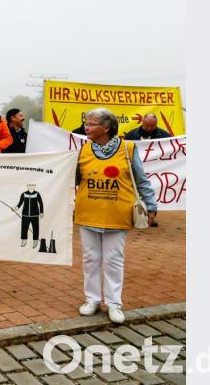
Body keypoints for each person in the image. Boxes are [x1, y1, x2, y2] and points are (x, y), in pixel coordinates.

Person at [75, 108, 157, 324]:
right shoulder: (82, 151)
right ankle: (92, 299)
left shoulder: (128, 149)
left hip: (117, 213)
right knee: (90, 258)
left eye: (91, 123)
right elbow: (72, 179)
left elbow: (142, 180)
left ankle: (114, 303)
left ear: (107, 127)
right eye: (87, 122)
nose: (87, 127)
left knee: (113, 259)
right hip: (88, 213)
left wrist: (150, 204)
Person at [16, 183, 43, 247]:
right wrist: (15, 208)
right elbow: (20, 203)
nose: (31, 187)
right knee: (24, 228)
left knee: (35, 228)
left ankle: (35, 241)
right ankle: (24, 240)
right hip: (25, 215)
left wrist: (41, 212)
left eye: (33, 185)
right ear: (27, 186)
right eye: (30, 185)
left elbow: (40, 203)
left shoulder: (37, 194)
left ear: (35, 186)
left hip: (35, 215)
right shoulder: (24, 194)